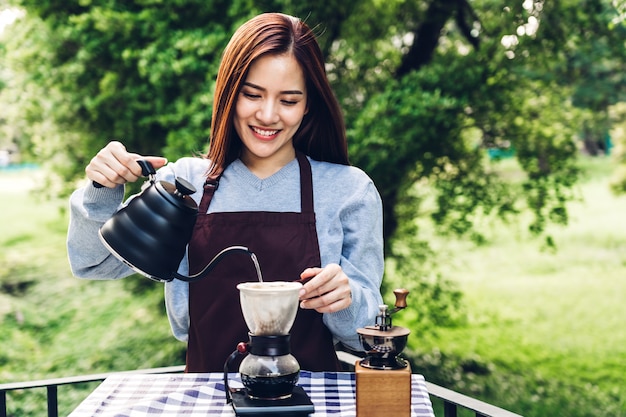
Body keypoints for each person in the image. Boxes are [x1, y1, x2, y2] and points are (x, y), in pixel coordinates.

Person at [67, 12, 384, 372]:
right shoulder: (186, 184)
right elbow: (93, 264)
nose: (268, 114)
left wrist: (346, 299)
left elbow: (369, 337)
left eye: (289, 100)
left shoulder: (349, 190)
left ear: (309, 104)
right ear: (229, 93)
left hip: (310, 400)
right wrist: (100, 191)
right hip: (207, 396)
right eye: (252, 94)